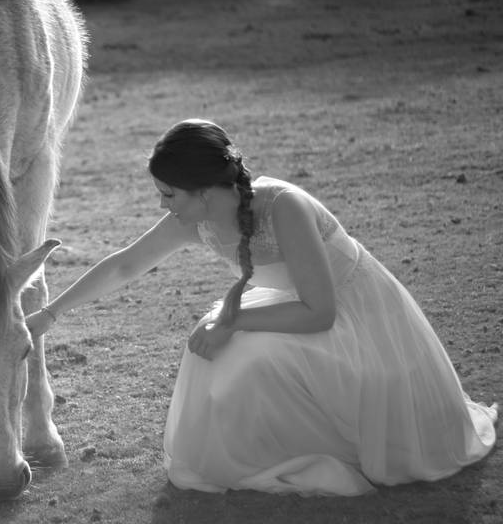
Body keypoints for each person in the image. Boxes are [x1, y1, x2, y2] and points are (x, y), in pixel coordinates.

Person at [26, 118, 497, 496]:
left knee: (234, 343)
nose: (163, 205)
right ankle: (264, 452)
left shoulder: (282, 207)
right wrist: (50, 315)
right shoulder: (196, 218)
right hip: (291, 305)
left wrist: (232, 321)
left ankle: (321, 444)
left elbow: (321, 312)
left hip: (356, 315)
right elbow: (124, 266)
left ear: (204, 191)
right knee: (210, 346)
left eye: (169, 194)